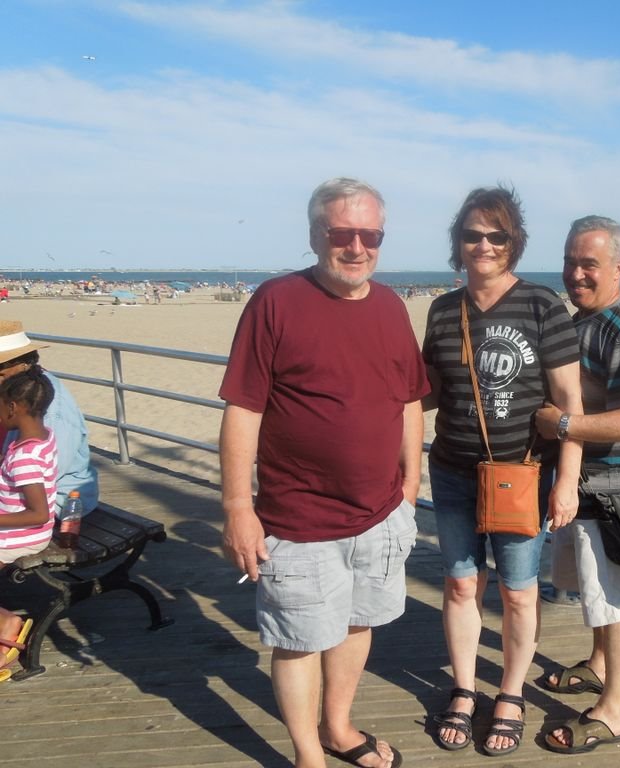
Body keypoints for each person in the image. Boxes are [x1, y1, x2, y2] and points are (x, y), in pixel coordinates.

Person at [219, 177, 429, 768]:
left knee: (359, 624)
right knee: (298, 640)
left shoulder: (390, 306)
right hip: (299, 518)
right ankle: (308, 753)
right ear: (316, 235)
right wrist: (238, 508)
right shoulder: (276, 302)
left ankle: (338, 727)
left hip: (381, 513)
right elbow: (243, 409)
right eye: (343, 233)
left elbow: (409, 400)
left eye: (370, 235)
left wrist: (410, 488)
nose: (357, 246)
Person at [421, 185, 583, 756]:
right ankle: (465, 691)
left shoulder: (542, 306)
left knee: (518, 594)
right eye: (473, 235)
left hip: (523, 475)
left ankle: (510, 694)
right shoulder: (444, 311)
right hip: (452, 471)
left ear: (514, 242)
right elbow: (428, 393)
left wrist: (566, 480)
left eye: (497, 236)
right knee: (462, 584)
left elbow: (570, 404)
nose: (484, 245)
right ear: (457, 244)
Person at [534, 215, 620, 754]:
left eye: (590, 264)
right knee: (593, 589)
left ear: (618, 268)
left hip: (613, 488)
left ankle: (614, 710)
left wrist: (561, 425)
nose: (577, 274)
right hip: (583, 481)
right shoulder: (581, 318)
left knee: (615, 598)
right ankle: (598, 663)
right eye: (570, 261)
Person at [0, 320, 99, 517]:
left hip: (56, 499)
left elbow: (47, 471)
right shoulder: (17, 391)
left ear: (22, 364)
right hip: (19, 483)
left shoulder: (47, 406)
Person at [0, 366, 58, 682]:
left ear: (13, 407)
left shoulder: (23, 455)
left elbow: (38, 512)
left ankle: (8, 624)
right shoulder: (41, 437)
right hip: (24, 530)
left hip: (20, 536)